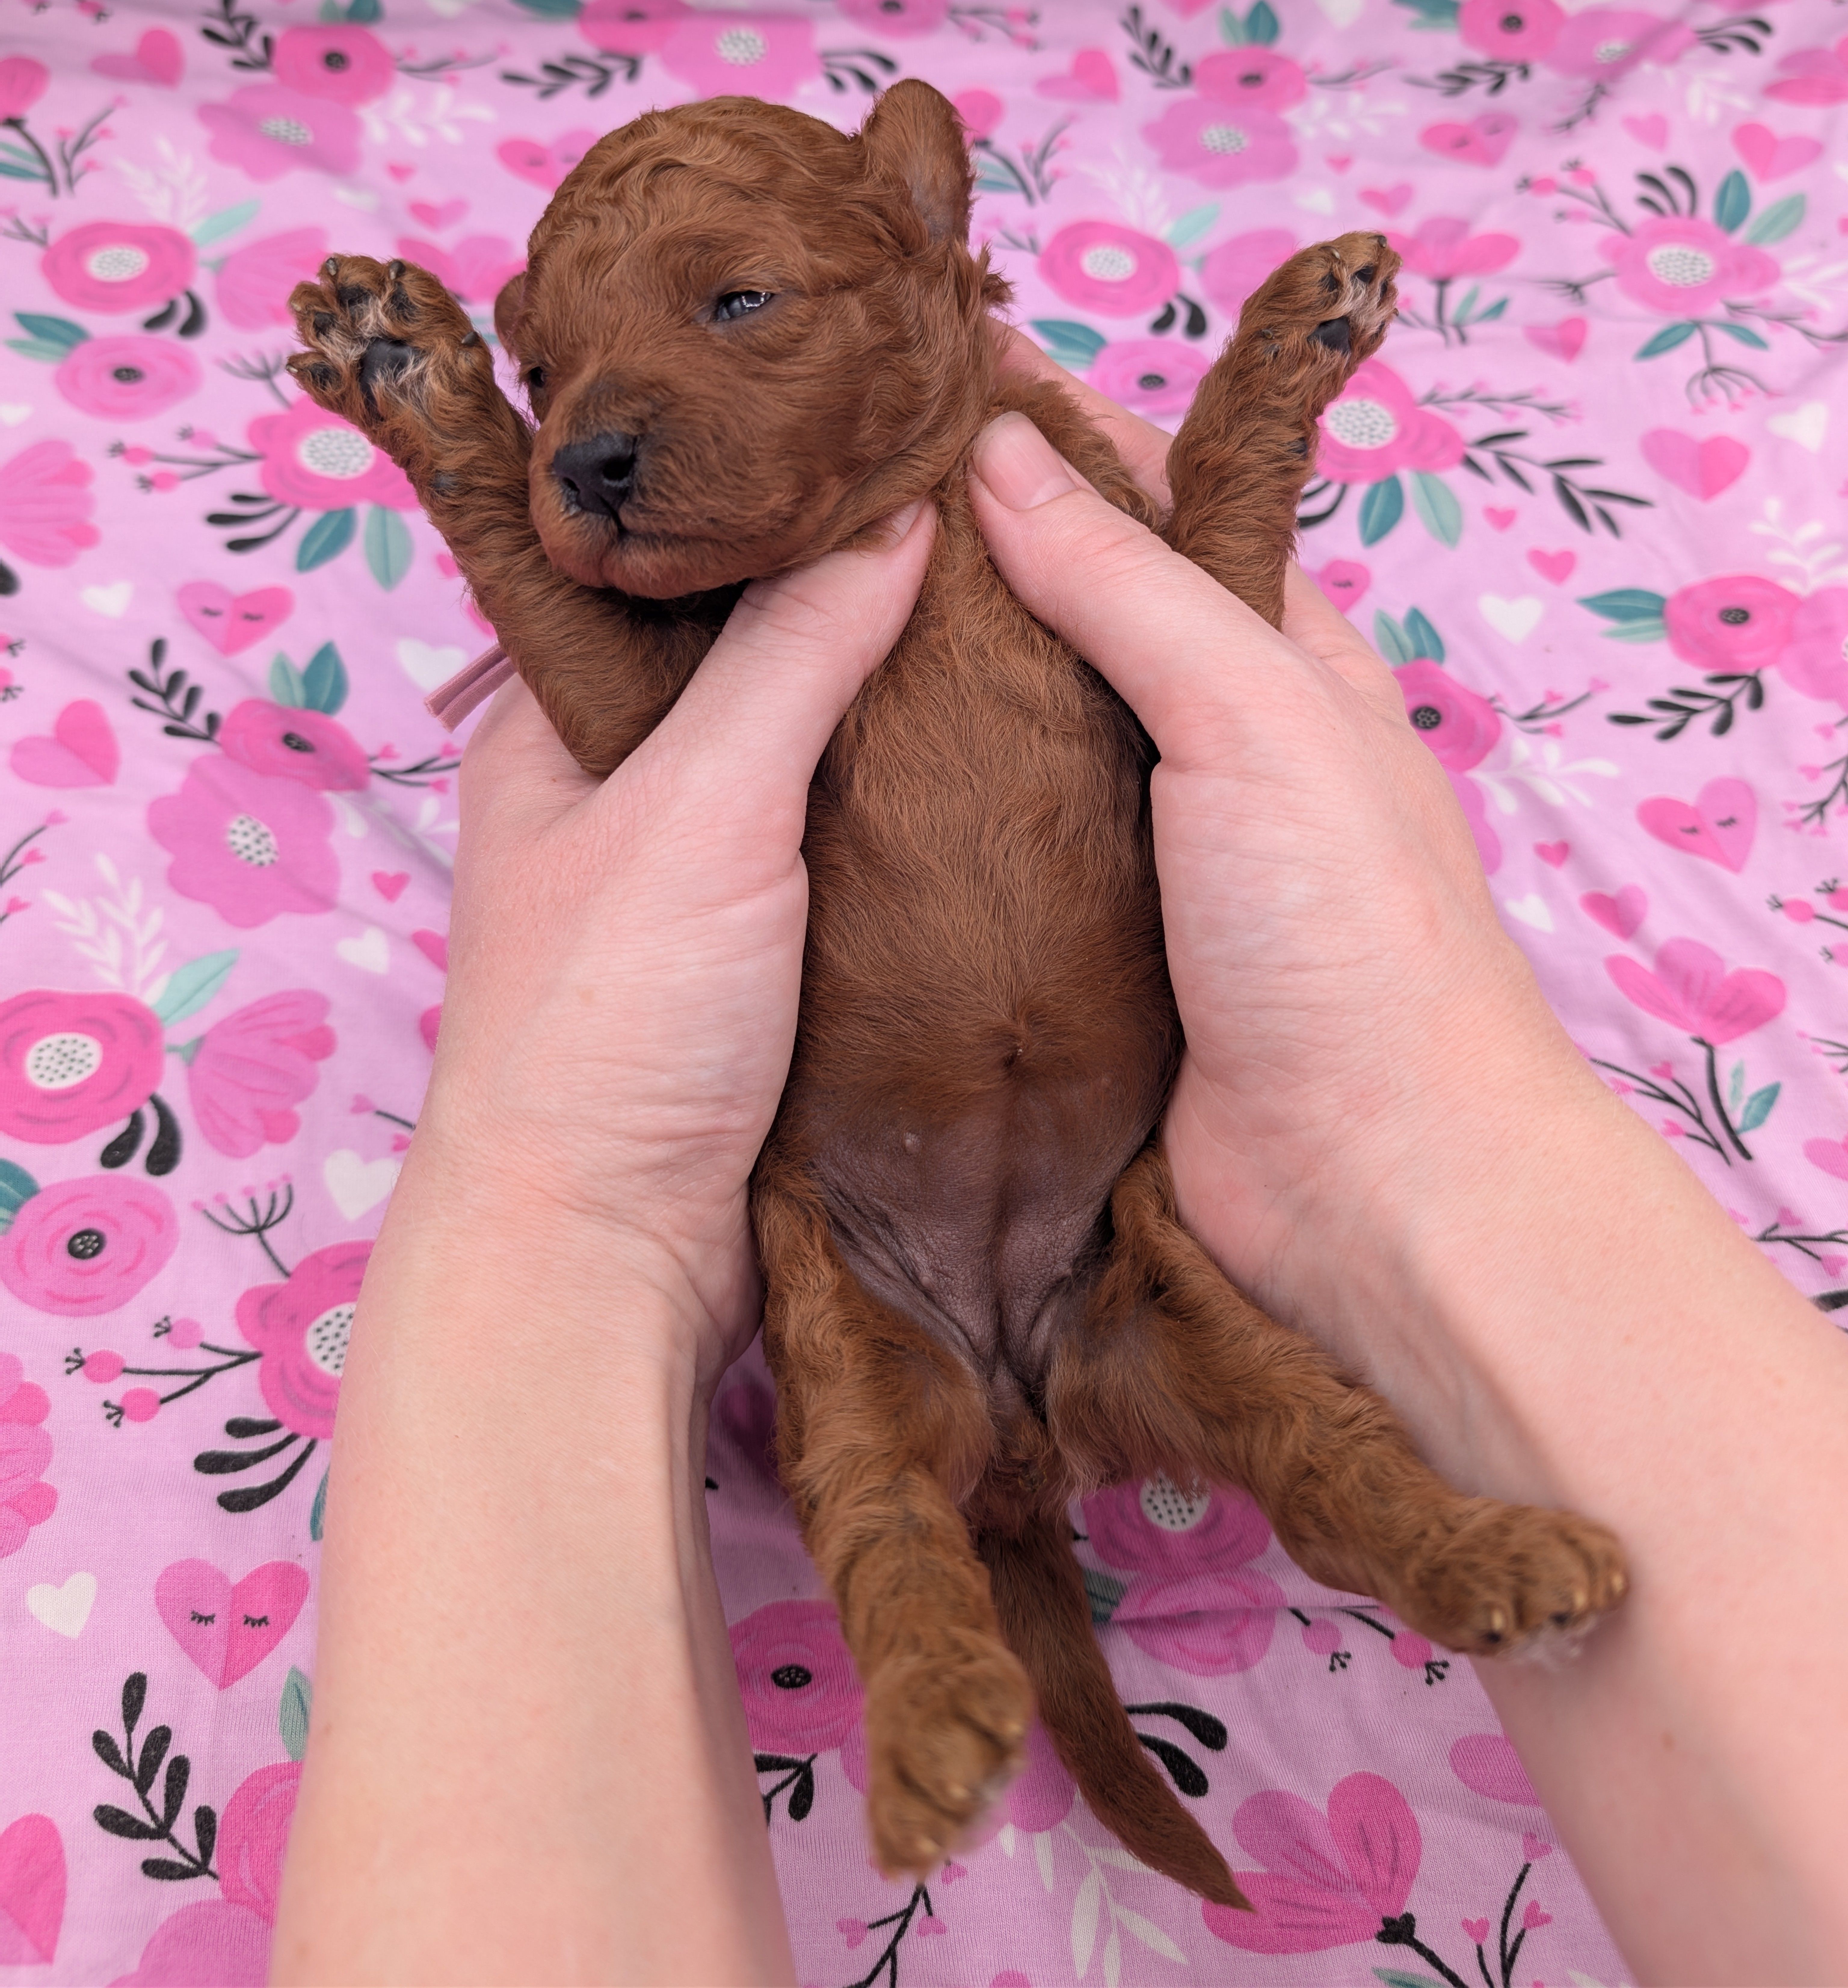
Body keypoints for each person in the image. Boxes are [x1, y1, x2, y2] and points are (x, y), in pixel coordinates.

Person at [270, 361, 1848, 1987]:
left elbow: (1206, 622)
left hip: (1121, 1231)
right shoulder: (694, 593)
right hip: (861, 1231)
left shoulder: (1028, 481)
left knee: (1286, 1414)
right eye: (560, 370)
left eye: (742, 317)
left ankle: (1449, 1557)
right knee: (872, 1458)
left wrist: (554, 1207)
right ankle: (928, 1667)